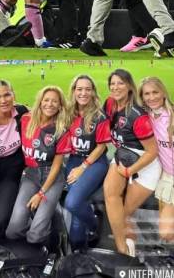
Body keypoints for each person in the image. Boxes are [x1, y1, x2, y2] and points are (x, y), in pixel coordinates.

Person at [100, 69, 161, 256]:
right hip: (122, 156)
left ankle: (129, 250)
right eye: (112, 83)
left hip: (145, 163)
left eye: (120, 83)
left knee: (124, 213)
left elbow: (152, 151)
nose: (115, 87)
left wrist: (130, 171)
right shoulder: (110, 103)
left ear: (129, 87)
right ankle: (123, 250)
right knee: (110, 195)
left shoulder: (137, 115)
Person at [5, 86, 71, 246]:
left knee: (35, 236)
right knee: (13, 231)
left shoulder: (61, 128)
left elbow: (57, 165)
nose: (50, 104)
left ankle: (48, 219)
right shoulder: (26, 119)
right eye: (46, 100)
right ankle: (45, 214)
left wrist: (41, 194)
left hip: (53, 177)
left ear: (60, 105)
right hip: (31, 175)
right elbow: (8, 106)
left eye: (55, 101)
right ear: (40, 102)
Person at [139, 77, 174, 244]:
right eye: (146, 94)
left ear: (163, 92)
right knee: (166, 233)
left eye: (155, 92)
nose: (152, 97)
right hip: (171, 177)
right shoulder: (147, 118)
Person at [64, 75, 110, 250]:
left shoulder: (99, 116)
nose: (83, 93)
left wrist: (82, 168)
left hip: (95, 162)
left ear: (93, 92)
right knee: (77, 210)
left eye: (87, 89)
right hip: (74, 160)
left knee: (72, 203)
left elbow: (101, 147)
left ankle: (94, 224)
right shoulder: (68, 112)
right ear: (74, 91)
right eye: (79, 89)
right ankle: (78, 249)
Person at [0, 81, 28, 240]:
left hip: (10, 170)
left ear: (13, 95)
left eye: (7, 94)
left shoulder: (22, 113)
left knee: (3, 217)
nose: (3, 100)